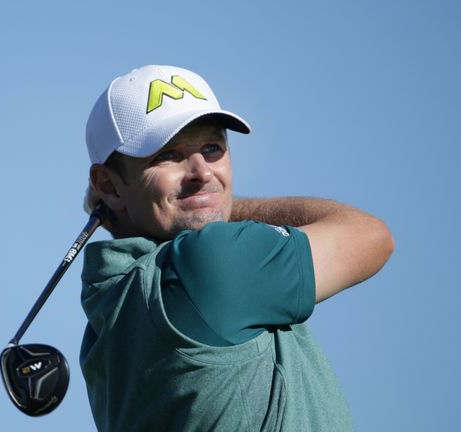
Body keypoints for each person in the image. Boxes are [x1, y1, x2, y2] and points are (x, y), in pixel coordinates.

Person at [79, 65, 394, 431]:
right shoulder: (211, 263)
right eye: (168, 155)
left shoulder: (107, 318)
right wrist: (215, 204)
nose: (202, 171)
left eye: (213, 148)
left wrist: (199, 203)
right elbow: (371, 236)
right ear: (110, 186)